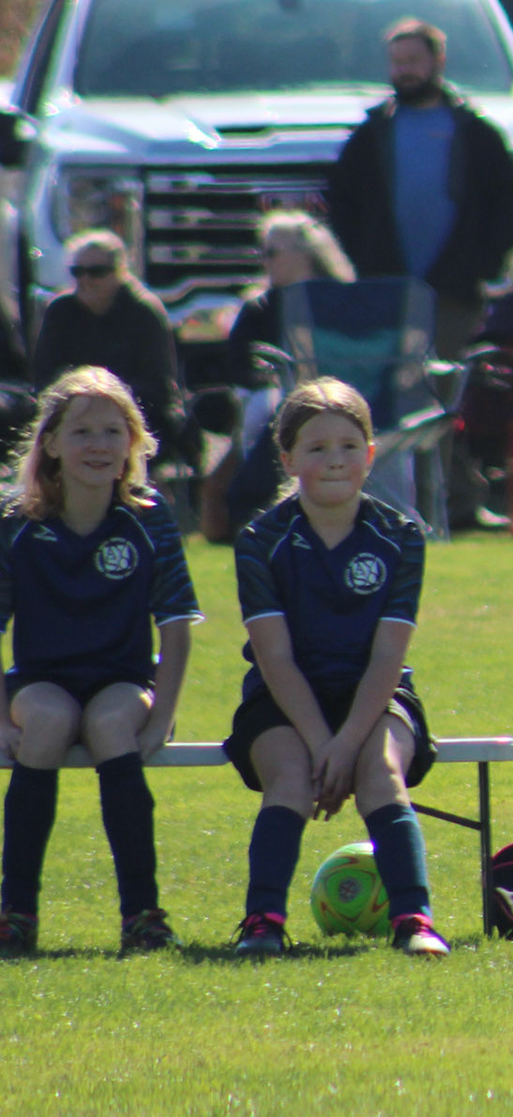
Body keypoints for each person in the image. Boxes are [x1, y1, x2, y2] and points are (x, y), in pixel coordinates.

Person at [226, 378, 448, 957]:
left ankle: (414, 921)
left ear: (370, 455)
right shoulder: (260, 540)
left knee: (381, 773)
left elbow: (388, 656)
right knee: (290, 775)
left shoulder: (399, 536)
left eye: (349, 446)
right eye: (317, 447)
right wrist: (322, 742)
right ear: (288, 459)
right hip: (282, 697)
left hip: (375, 695)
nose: (334, 460)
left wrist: (346, 743)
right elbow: (275, 657)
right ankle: (262, 922)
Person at [0, 368, 199, 955]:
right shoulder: (16, 523)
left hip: (123, 680)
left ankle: (142, 914)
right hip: (41, 682)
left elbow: (177, 625)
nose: (98, 445)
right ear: (51, 443)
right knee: (48, 721)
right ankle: (15, 912)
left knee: (112, 724)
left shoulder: (149, 515)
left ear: (132, 444)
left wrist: (162, 716)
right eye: (82, 431)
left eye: (113, 432)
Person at [326, 18, 513, 530]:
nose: (405, 71)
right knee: (396, 398)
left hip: (453, 291)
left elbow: (509, 203)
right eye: (397, 63)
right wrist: (366, 263)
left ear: (438, 62)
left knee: (444, 397)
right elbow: (340, 203)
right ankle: (403, 503)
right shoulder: (373, 133)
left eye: (414, 61)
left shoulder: (474, 132)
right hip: (388, 292)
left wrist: (483, 264)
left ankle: (455, 501)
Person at [202, 212, 358, 543]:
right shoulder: (259, 307)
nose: (265, 261)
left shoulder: (344, 302)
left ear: (306, 253)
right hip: (277, 396)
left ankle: (254, 503)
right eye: (262, 252)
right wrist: (269, 375)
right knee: (267, 407)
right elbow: (239, 366)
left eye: (272, 252)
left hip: (343, 397)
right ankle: (259, 504)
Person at [31, 232, 195, 468]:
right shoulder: (60, 311)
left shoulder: (144, 312)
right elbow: (44, 376)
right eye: (78, 272)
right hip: (71, 413)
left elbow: (159, 386)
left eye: (96, 272)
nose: (86, 280)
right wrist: (80, 400)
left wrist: (104, 400)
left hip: (134, 413)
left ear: (120, 272)